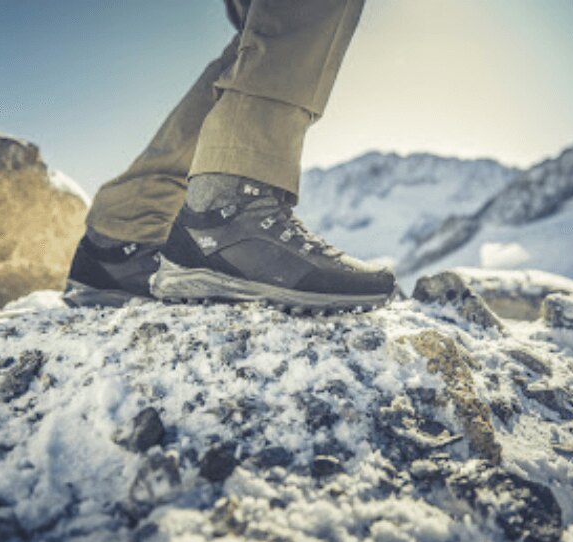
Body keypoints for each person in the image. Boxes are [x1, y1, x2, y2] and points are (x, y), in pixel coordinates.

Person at [64, 0, 395, 312]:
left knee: (260, 35)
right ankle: (230, 209)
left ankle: (126, 233)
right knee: (295, 11)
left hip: (125, 244)